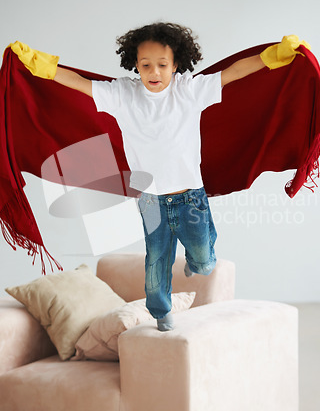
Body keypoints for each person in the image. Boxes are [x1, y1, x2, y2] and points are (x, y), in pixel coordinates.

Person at [16, 23, 267, 331]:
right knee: (156, 260)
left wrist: (270, 58)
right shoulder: (123, 94)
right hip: (151, 200)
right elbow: (78, 83)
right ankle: (161, 312)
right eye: (146, 65)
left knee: (204, 262)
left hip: (190, 196)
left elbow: (234, 72)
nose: (154, 72)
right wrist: (43, 65)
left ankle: (195, 261)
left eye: (163, 65)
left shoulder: (189, 90)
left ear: (176, 64)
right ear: (135, 64)